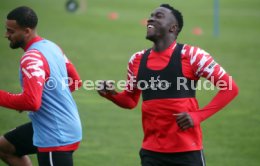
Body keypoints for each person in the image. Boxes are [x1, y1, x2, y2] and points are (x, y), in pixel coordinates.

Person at [97, 4, 239, 166]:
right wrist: (111, 94)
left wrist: (197, 116)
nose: (151, 18)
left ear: (173, 28)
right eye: (151, 15)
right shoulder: (136, 60)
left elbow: (230, 88)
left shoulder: (192, 56)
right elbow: (130, 100)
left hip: (187, 151)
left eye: (159, 16)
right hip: (151, 152)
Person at [0, 6, 82, 166]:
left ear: (27, 31)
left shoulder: (31, 58)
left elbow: (31, 102)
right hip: (63, 125)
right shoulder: (51, 46)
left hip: (55, 136)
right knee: (4, 147)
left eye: (11, 31)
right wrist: (43, 96)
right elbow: (75, 81)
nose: (6, 35)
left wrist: (31, 98)